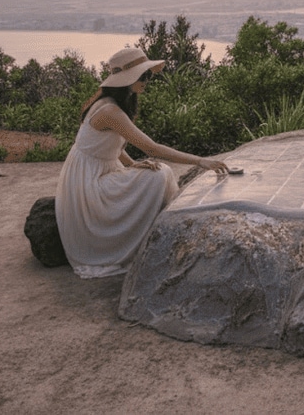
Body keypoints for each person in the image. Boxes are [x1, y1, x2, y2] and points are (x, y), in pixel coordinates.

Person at [55, 47, 229, 278]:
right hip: (90, 185)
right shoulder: (109, 111)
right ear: (127, 78)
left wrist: (131, 163)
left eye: (149, 74)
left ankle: (165, 230)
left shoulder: (110, 104)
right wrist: (200, 161)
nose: (148, 80)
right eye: (144, 75)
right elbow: (151, 148)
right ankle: (162, 234)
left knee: (156, 172)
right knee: (158, 175)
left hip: (95, 172)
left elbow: (107, 146)